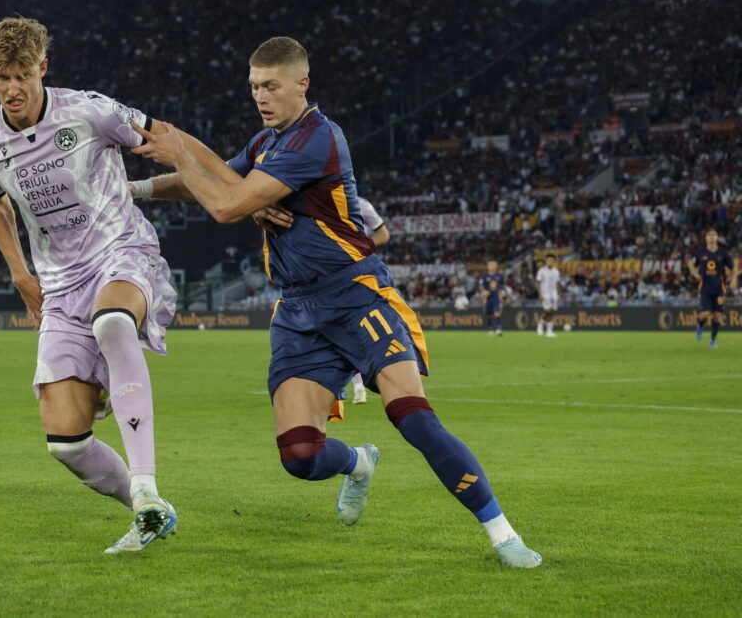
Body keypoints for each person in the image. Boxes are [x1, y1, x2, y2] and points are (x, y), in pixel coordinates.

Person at [129, 36, 541, 567]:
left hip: (355, 296)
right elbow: (211, 178)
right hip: (298, 311)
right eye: (254, 86)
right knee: (300, 456)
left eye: (271, 85)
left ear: (302, 82)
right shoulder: (265, 145)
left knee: (413, 418)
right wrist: (133, 188)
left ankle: (503, 534)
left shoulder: (316, 138)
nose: (261, 95)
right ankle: (359, 464)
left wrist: (182, 152)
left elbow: (227, 204)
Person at [0, 16, 178, 555]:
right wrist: (19, 272)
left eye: (21, 75)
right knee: (66, 441)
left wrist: (233, 190)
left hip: (121, 251)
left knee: (112, 323)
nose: (11, 88)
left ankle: (147, 482)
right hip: (59, 287)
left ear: (42, 68)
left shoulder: (87, 110)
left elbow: (165, 138)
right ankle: (150, 511)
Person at [349, 196, 391, 403]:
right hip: (326, 275)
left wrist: (360, 249)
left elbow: (383, 234)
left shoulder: (362, 205)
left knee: (358, 333)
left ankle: (365, 383)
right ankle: (357, 386)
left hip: (359, 273)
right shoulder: (318, 199)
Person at [687, 229, 737, 349]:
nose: (711, 237)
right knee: (705, 313)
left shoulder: (723, 254)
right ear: (706, 238)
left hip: (719, 289)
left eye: (714, 235)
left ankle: (712, 341)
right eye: (709, 235)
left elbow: (733, 268)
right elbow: (691, 264)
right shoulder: (701, 253)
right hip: (705, 289)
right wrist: (695, 274)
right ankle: (700, 326)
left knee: (717, 316)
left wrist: (734, 279)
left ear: (717, 237)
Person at [535, 255, 561, 338]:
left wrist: (559, 294)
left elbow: (557, 283)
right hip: (545, 294)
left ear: (553, 262)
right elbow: (538, 283)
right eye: (548, 260)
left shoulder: (556, 271)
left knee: (552, 312)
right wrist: (540, 294)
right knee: (548, 310)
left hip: (554, 294)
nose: (550, 262)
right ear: (546, 261)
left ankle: (548, 330)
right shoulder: (541, 271)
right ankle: (543, 327)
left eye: (551, 260)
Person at [479, 260, 504, 336]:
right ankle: (490, 329)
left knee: (497, 313)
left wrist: (501, 296)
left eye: (494, 265)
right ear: (488, 267)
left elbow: (501, 287)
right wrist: (484, 293)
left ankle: (498, 329)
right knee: (488, 314)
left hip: (496, 297)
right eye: (491, 265)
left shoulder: (499, 276)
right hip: (488, 297)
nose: (492, 267)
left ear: (496, 267)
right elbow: (481, 286)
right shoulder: (484, 276)